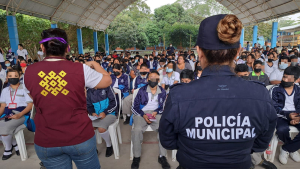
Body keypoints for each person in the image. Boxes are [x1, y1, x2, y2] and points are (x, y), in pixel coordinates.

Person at [159, 14, 277, 169]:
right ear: (238, 52)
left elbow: (168, 141)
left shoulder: (179, 95)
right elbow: (260, 144)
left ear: (199, 52)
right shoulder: (259, 94)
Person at [23, 28, 112, 169]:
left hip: (47, 139)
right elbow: (107, 80)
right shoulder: (80, 69)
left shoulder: (29, 71)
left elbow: (35, 97)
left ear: (42, 48)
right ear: (68, 48)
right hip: (79, 135)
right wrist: (95, 64)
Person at [131, 70, 170, 169]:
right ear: (148, 79)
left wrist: (156, 111)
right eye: (151, 77)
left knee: (163, 129)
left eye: (155, 78)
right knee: (137, 130)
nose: (153, 80)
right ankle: (136, 157)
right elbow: (134, 107)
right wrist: (143, 115)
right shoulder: (141, 90)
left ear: (158, 79)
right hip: (141, 113)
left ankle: (162, 156)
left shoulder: (162, 91)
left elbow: (163, 107)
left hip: (155, 113)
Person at [0, 67, 33, 160]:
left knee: (4, 127)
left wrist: (19, 115)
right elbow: (2, 107)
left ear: (19, 76)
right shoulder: (5, 90)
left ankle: (8, 149)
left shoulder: (25, 89)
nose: (12, 78)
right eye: (10, 76)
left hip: (21, 113)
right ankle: (14, 143)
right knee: (3, 126)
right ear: (7, 77)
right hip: (7, 112)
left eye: (15, 76)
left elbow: (30, 105)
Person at [270, 66, 300, 165]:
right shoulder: (275, 89)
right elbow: (273, 108)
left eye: (288, 78)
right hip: (280, 115)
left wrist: (298, 117)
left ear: (295, 80)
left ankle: (287, 148)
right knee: (282, 129)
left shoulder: (299, 89)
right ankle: (291, 147)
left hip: (296, 115)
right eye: (284, 77)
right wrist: (288, 116)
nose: (285, 80)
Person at [86, 86, 117, 158]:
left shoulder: (107, 87)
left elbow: (114, 103)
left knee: (101, 128)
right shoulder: (89, 91)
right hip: (97, 115)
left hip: (110, 113)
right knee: (88, 128)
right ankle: (93, 148)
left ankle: (109, 145)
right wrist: (92, 112)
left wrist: (105, 112)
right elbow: (89, 105)